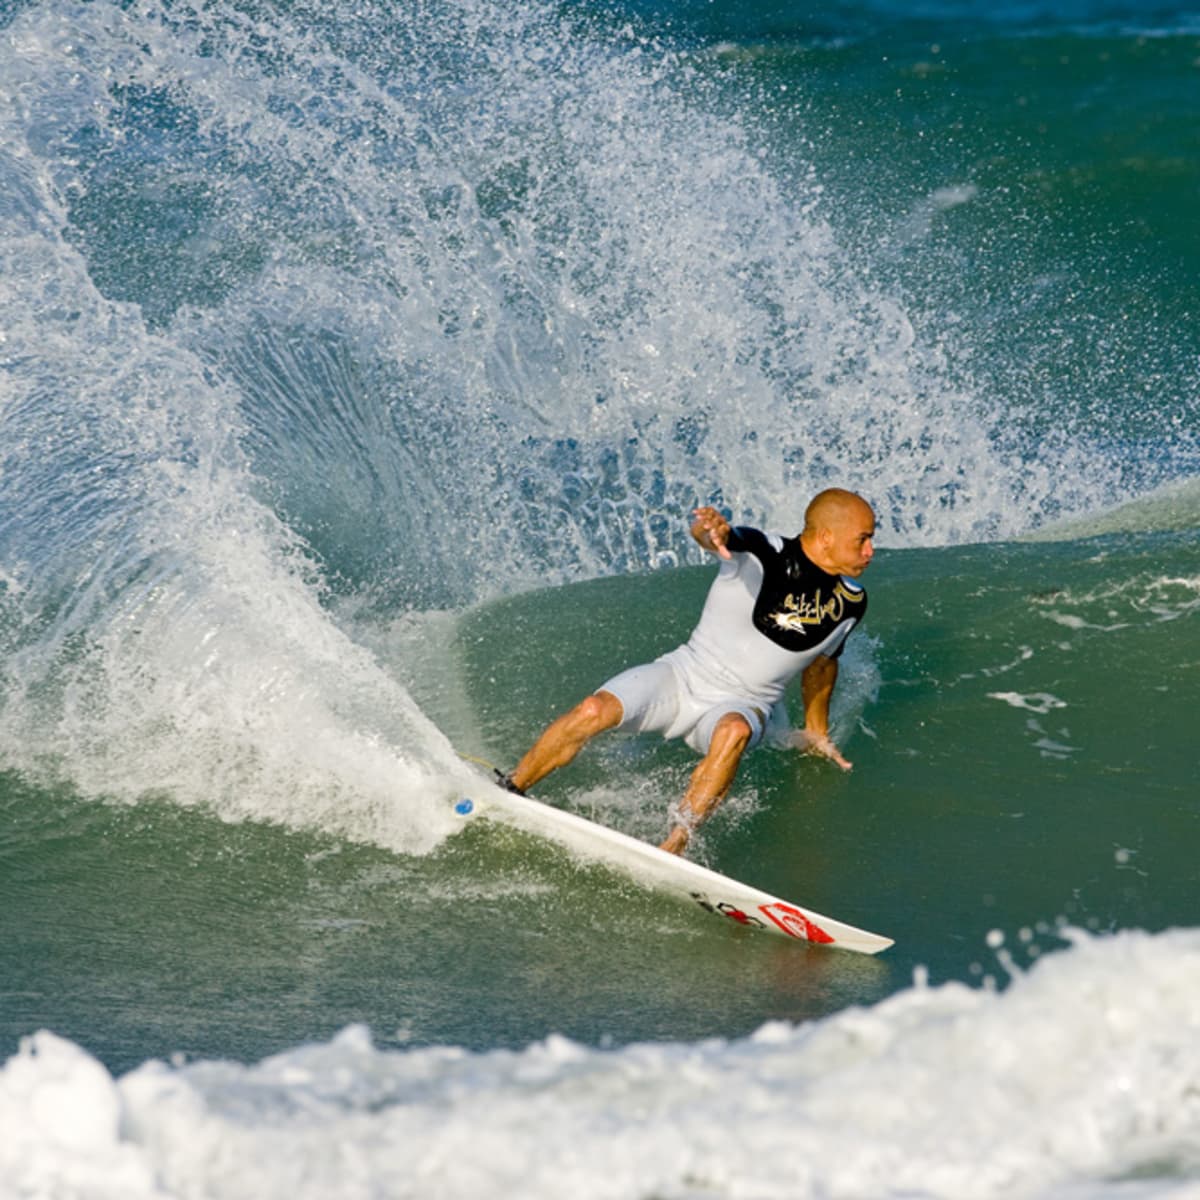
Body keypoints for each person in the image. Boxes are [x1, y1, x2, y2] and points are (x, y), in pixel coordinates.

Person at [500, 488, 876, 856]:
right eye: (863, 539)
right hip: (683, 675)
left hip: (746, 703)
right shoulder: (764, 552)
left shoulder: (850, 602)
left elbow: (823, 665)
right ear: (826, 536)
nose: (870, 551)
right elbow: (722, 540)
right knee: (592, 711)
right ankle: (510, 788)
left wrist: (816, 731)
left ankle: (673, 847)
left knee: (735, 731)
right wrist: (710, 532)